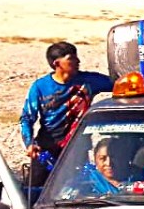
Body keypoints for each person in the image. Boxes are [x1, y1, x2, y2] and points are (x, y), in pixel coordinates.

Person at [20, 42, 114, 187]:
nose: (78, 61)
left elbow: (118, 83)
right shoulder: (40, 87)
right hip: (46, 149)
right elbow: (27, 118)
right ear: (57, 63)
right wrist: (30, 143)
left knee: (74, 190)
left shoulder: (89, 81)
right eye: (72, 58)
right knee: (33, 191)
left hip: (77, 147)